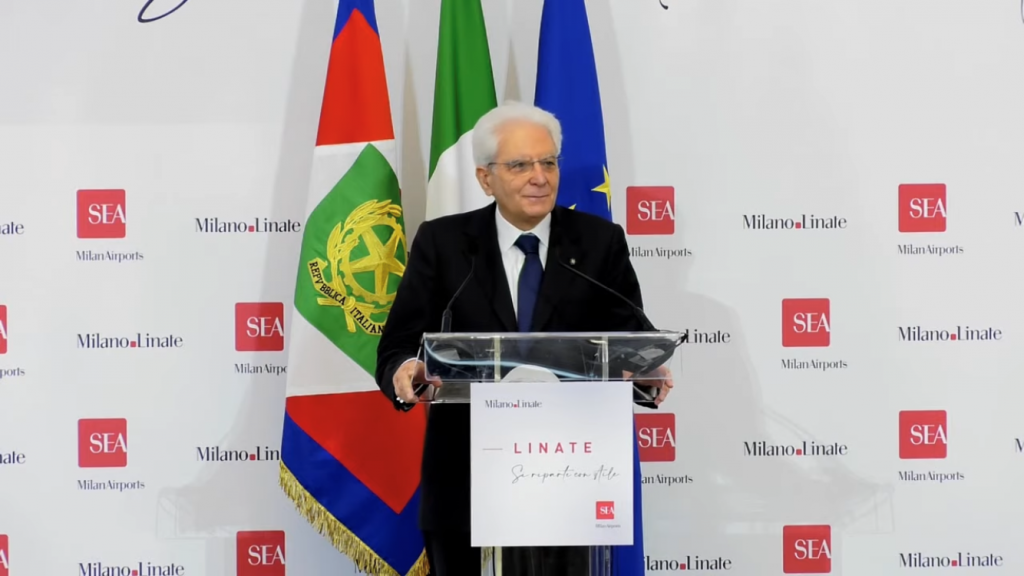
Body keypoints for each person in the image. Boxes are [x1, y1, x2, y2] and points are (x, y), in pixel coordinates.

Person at [375, 101, 673, 575]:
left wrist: (645, 370)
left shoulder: (599, 243)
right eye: (520, 165)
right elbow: (398, 343)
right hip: (465, 477)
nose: (539, 176)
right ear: (485, 178)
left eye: (548, 162)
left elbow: (631, 335)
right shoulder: (444, 243)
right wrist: (405, 369)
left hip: (572, 477)